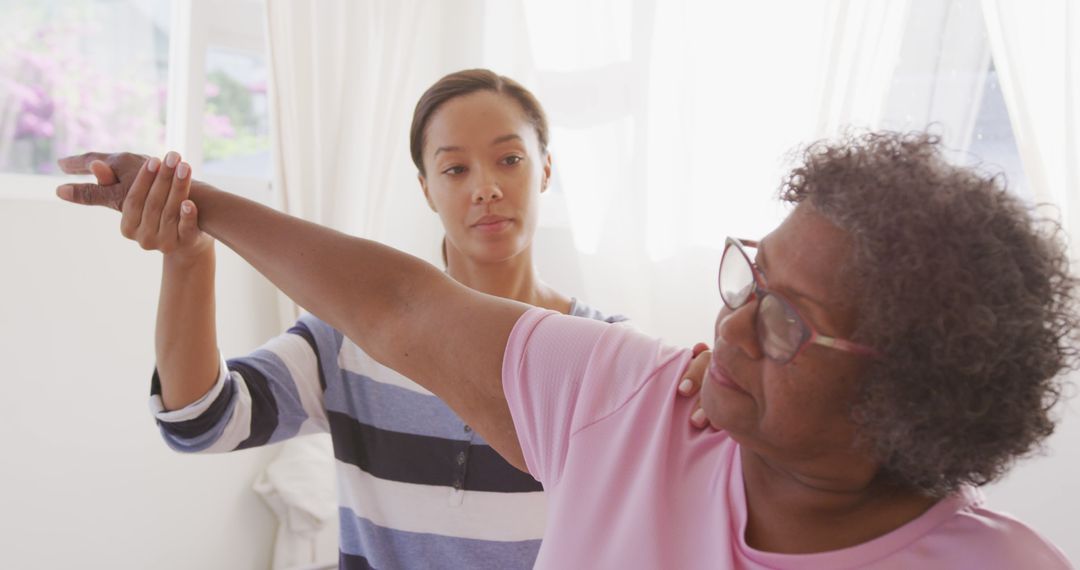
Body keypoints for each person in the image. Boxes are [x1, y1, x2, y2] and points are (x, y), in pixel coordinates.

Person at [59, 130, 1076, 568]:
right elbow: (401, 307)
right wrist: (201, 219)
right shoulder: (627, 394)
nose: (727, 326)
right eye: (747, 279)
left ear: (908, 395)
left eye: (784, 321)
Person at [61, 69, 714, 569]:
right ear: (427, 189)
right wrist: (188, 257)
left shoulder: (606, 359)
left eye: (509, 158)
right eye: (454, 167)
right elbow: (200, 423)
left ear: (545, 168)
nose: (484, 185)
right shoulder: (346, 342)